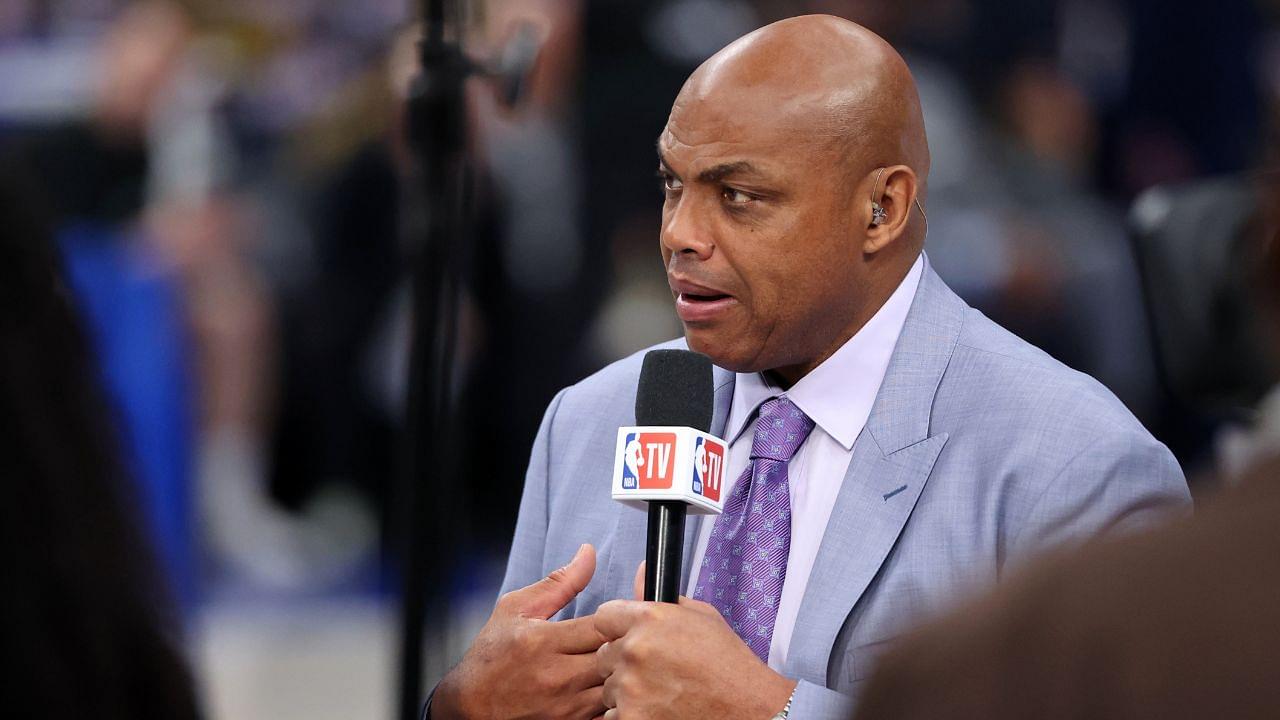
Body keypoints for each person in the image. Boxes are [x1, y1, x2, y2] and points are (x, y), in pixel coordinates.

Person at [429, 15, 1190, 720]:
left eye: (739, 194)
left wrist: (775, 710)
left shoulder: (1076, 466)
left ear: (881, 210)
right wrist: (461, 708)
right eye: (672, 185)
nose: (680, 234)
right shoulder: (592, 420)